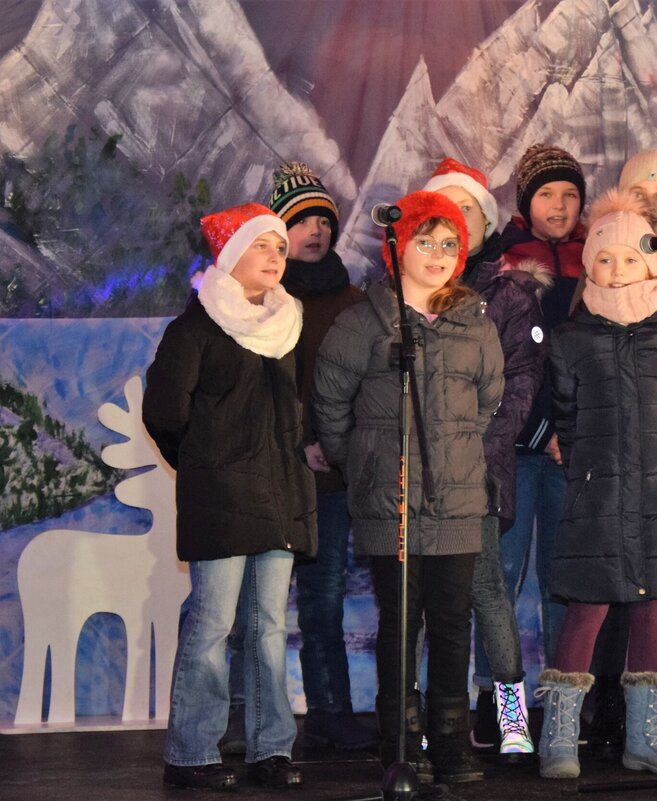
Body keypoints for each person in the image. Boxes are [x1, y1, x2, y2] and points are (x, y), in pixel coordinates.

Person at [312, 191, 503, 784]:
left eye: (450, 244)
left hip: (457, 499)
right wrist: (362, 463)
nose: (439, 254)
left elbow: (488, 403)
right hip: (390, 501)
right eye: (426, 241)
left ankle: (451, 742)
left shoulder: (475, 323)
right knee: (400, 623)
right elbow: (330, 403)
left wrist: (454, 456)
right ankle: (401, 741)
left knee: (452, 622)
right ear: (398, 247)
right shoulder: (363, 322)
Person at [536, 189, 657, 780]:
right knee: (585, 609)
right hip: (601, 494)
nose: (616, 270)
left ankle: (646, 737)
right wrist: (585, 468)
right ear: (589, 266)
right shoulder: (572, 338)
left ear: (652, 263)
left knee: (653, 612)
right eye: (604, 259)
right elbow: (566, 416)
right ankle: (559, 737)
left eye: (629, 258)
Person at [145, 202, 316, 790]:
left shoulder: (287, 327)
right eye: (262, 245)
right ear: (232, 253)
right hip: (221, 495)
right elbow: (165, 412)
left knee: (269, 627)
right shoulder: (195, 328)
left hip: (279, 495)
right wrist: (206, 465)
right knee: (213, 624)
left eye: (280, 248)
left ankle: (271, 749)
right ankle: (191, 751)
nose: (275, 256)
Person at [423, 156, 550, 755]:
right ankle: (426, 719)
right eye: (445, 211)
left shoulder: (509, 293)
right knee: (424, 602)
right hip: (421, 475)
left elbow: (521, 383)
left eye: (467, 210)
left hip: (477, 470)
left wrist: (475, 444)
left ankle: (511, 720)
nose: (456, 221)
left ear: (487, 221)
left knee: (489, 592)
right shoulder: (411, 292)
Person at [266, 161, 376, 751]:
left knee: (331, 595)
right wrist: (300, 440)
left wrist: (341, 444)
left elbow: (368, 386)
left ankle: (347, 711)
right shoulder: (263, 299)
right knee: (283, 601)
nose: (316, 230)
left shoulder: (355, 301)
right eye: (302, 220)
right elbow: (270, 389)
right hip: (282, 475)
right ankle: (279, 717)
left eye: (324, 221)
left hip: (342, 474)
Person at [495, 144, 588, 670]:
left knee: (562, 581)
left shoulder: (597, 262)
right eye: (546, 194)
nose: (559, 205)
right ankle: (501, 704)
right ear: (525, 202)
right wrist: (535, 429)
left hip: (567, 450)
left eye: (570, 194)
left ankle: (561, 702)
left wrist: (566, 431)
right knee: (502, 578)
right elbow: (504, 365)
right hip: (514, 449)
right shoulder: (502, 263)